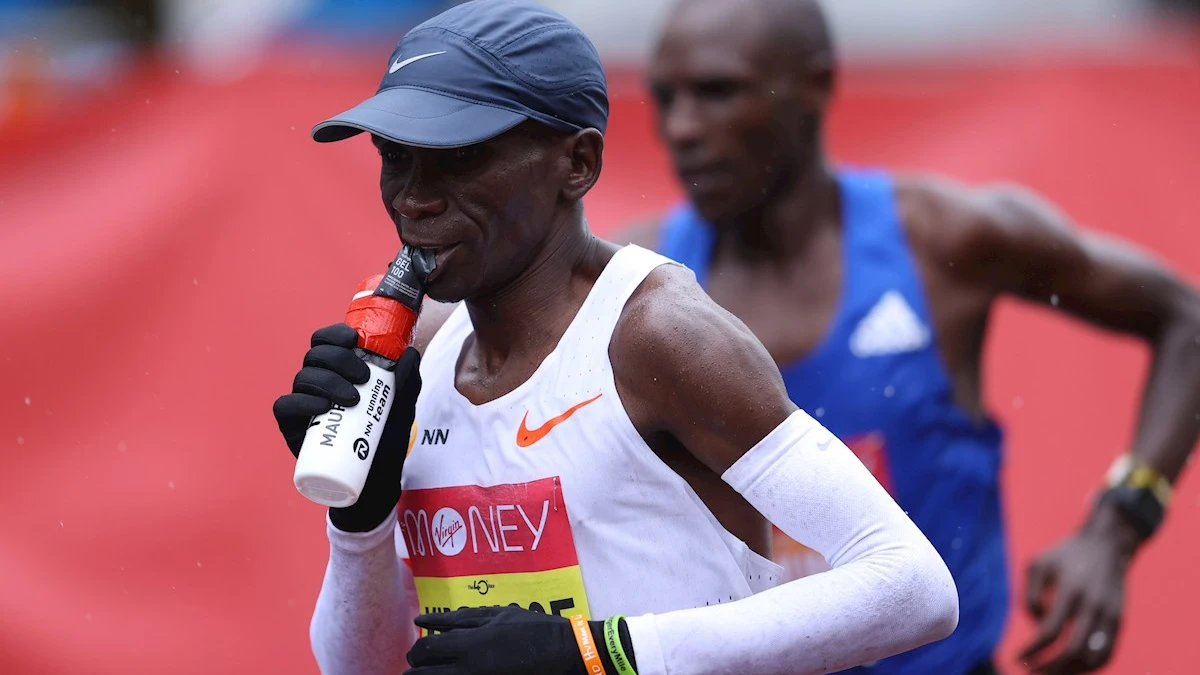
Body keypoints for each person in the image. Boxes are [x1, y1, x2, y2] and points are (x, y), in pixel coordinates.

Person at [271, 1, 960, 674]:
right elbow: (362, 664)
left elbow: (914, 587)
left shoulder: (658, 335)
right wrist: (361, 520)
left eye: (457, 158)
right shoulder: (417, 357)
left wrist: (601, 651)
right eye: (396, 156)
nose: (414, 197)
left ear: (578, 162)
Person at [615, 0, 1200, 674]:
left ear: (817, 84)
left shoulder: (944, 242)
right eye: (664, 96)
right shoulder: (634, 285)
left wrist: (1118, 524)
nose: (681, 127)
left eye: (718, 91)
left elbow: (1184, 319)